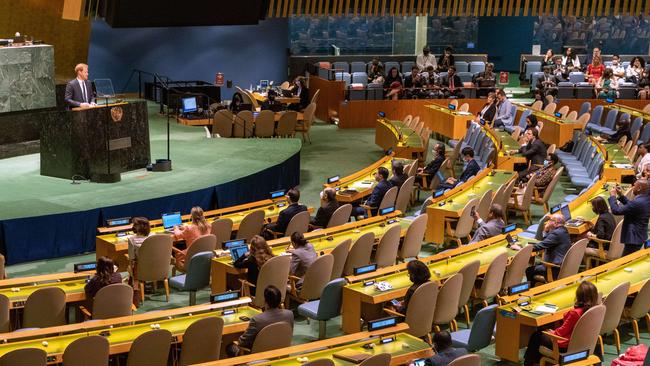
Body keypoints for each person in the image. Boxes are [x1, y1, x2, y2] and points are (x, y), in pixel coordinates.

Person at [522, 281, 599, 366]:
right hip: (583, 345)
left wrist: (551, 332)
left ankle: (528, 363)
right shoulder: (595, 310)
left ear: (578, 296)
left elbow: (561, 332)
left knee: (536, 335)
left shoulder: (575, 313)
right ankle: (536, 361)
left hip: (565, 347)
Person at [226, 285, 294, 356]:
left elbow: (242, 342)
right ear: (280, 300)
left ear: (265, 301)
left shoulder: (256, 320)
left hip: (260, 354)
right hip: (281, 351)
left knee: (230, 347)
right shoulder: (290, 314)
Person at [512, 213, 571, 283]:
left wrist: (521, 249)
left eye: (550, 220)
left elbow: (540, 246)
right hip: (561, 265)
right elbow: (547, 241)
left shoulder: (556, 234)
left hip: (553, 269)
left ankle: (533, 291)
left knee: (529, 270)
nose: (548, 222)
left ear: (555, 223)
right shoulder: (563, 230)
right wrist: (546, 230)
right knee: (535, 266)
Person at [608, 179, 650, 255]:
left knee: (625, 264)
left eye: (634, 185)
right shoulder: (646, 199)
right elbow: (632, 206)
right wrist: (621, 195)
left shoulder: (638, 202)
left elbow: (616, 211)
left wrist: (613, 196)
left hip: (634, 239)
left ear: (639, 188)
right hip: (639, 236)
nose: (633, 187)